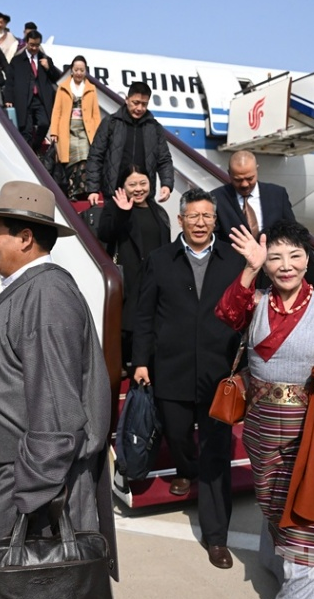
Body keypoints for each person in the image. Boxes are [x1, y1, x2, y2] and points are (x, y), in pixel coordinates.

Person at [0, 181, 117, 578]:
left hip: (37, 481)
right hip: (26, 474)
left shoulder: (46, 295)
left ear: (25, 238)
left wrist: (32, 495)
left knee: (37, 583)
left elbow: (57, 408)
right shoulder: (35, 290)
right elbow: (32, 364)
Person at [215, 220, 314, 597]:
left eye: (294, 256)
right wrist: (249, 269)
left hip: (310, 432)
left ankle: (307, 587)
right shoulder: (256, 301)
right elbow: (227, 314)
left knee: (306, 514)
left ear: (307, 259)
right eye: (275, 257)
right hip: (261, 429)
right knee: (274, 506)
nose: (285, 265)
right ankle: (283, 565)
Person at [132, 188, 244, 569]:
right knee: (177, 433)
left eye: (207, 216)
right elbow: (144, 315)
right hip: (172, 368)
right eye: (193, 216)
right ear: (180, 219)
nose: (200, 223)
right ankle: (185, 468)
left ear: (216, 220)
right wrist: (140, 361)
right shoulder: (160, 260)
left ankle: (216, 536)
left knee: (216, 452)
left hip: (218, 372)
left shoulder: (234, 261)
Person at [98, 166, 170, 373]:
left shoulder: (158, 211)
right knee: (128, 323)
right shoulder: (114, 208)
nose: (138, 189)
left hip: (154, 276)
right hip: (129, 276)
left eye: (143, 183)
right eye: (132, 184)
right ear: (123, 186)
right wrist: (122, 212)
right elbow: (105, 234)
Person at [213, 150, 314, 287]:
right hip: (235, 278)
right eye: (238, 180)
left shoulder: (277, 195)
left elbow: (293, 233)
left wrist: (312, 272)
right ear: (229, 174)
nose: (245, 184)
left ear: (257, 170)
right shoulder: (217, 199)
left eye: (250, 178)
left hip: (272, 277)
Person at [86, 81, 174, 206]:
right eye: (135, 103)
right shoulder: (110, 123)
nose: (139, 108)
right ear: (127, 99)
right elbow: (95, 156)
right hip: (114, 196)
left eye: (144, 104)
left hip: (143, 197)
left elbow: (164, 159)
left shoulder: (155, 128)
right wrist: (93, 189)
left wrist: (166, 184)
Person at [49, 55, 101, 200]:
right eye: (76, 70)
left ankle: (81, 190)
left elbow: (95, 113)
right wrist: (54, 132)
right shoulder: (63, 87)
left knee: (84, 157)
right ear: (71, 70)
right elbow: (57, 111)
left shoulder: (91, 89)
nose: (79, 73)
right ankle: (72, 191)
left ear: (85, 71)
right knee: (71, 160)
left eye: (82, 70)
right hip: (68, 129)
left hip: (85, 129)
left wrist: (98, 132)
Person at [3, 30, 61, 152]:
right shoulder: (17, 61)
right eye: (31, 45)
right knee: (26, 129)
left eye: (37, 45)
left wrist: (48, 67)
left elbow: (56, 78)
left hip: (41, 99)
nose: (34, 48)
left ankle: (35, 147)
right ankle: (28, 154)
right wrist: (8, 98)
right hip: (24, 99)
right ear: (26, 43)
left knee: (45, 123)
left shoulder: (45, 59)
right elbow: (10, 81)